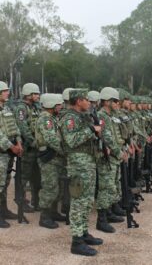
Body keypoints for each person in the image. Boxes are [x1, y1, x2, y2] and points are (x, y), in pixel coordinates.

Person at [59, 89, 102, 256]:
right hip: (78, 165)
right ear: (78, 101)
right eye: (86, 100)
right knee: (78, 202)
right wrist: (91, 130)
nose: (89, 102)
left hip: (88, 163)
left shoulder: (82, 117)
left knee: (88, 200)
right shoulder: (69, 118)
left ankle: (83, 233)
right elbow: (71, 141)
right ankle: (76, 242)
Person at [96, 87, 127, 233]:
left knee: (113, 184)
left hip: (114, 156)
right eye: (115, 101)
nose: (117, 103)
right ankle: (101, 220)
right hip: (106, 157)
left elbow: (117, 135)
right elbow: (107, 137)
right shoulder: (101, 116)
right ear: (107, 101)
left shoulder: (110, 116)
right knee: (106, 187)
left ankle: (109, 212)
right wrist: (119, 152)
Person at [35, 94, 66, 229]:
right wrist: (65, 151)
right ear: (52, 105)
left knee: (57, 187)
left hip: (55, 157)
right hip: (49, 157)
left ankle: (53, 212)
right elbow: (51, 139)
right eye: (59, 105)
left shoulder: (52, 118)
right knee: (49, 187)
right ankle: (45, 216)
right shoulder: (45, 119)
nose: (61, 107)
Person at [14, 83, 41, 212]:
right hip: (27, 148)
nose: (37, 96)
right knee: (23, 177)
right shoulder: (21, 108)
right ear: (28, 95)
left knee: (37, 177)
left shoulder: (36, 107)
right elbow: (23, 127)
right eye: (35, 94)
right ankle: (21, 202)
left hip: (36, 148)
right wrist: (33, 142)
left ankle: (36, 201)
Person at [0, 81, 23, 228]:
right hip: (2, 151)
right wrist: (11, 146)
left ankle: (4, 210)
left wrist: (19, 142)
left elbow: (14, 127)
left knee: (6, 182)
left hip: (9, 152)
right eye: (5, 91)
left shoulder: (7, 108)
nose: (8, 93)